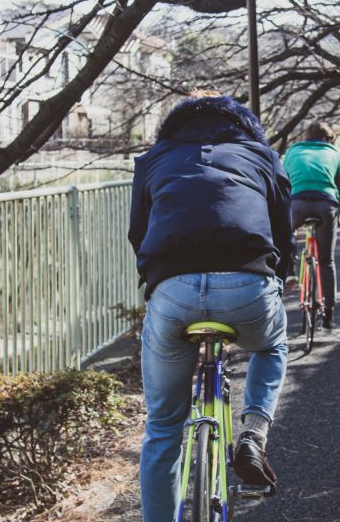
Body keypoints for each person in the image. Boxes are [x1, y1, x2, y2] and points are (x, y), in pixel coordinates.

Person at [128, 95, 294, 522]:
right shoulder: (262, 157)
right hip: (247, 284)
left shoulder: (153, 159)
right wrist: (278, 279)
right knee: (272, 345)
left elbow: (138, 232)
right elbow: (283, 232)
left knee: (163, 427)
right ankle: (253, 432)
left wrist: (158, 279)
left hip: (174, 290)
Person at [282, 121, 340, 329]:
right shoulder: (334, 153)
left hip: (297, 204)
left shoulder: (292, 152)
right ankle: (328, 315)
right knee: (326, 261)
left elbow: (283, 183)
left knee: (283, 238)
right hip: (326, 205)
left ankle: (290, 270)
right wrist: (339, 213)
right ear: (327, 138)